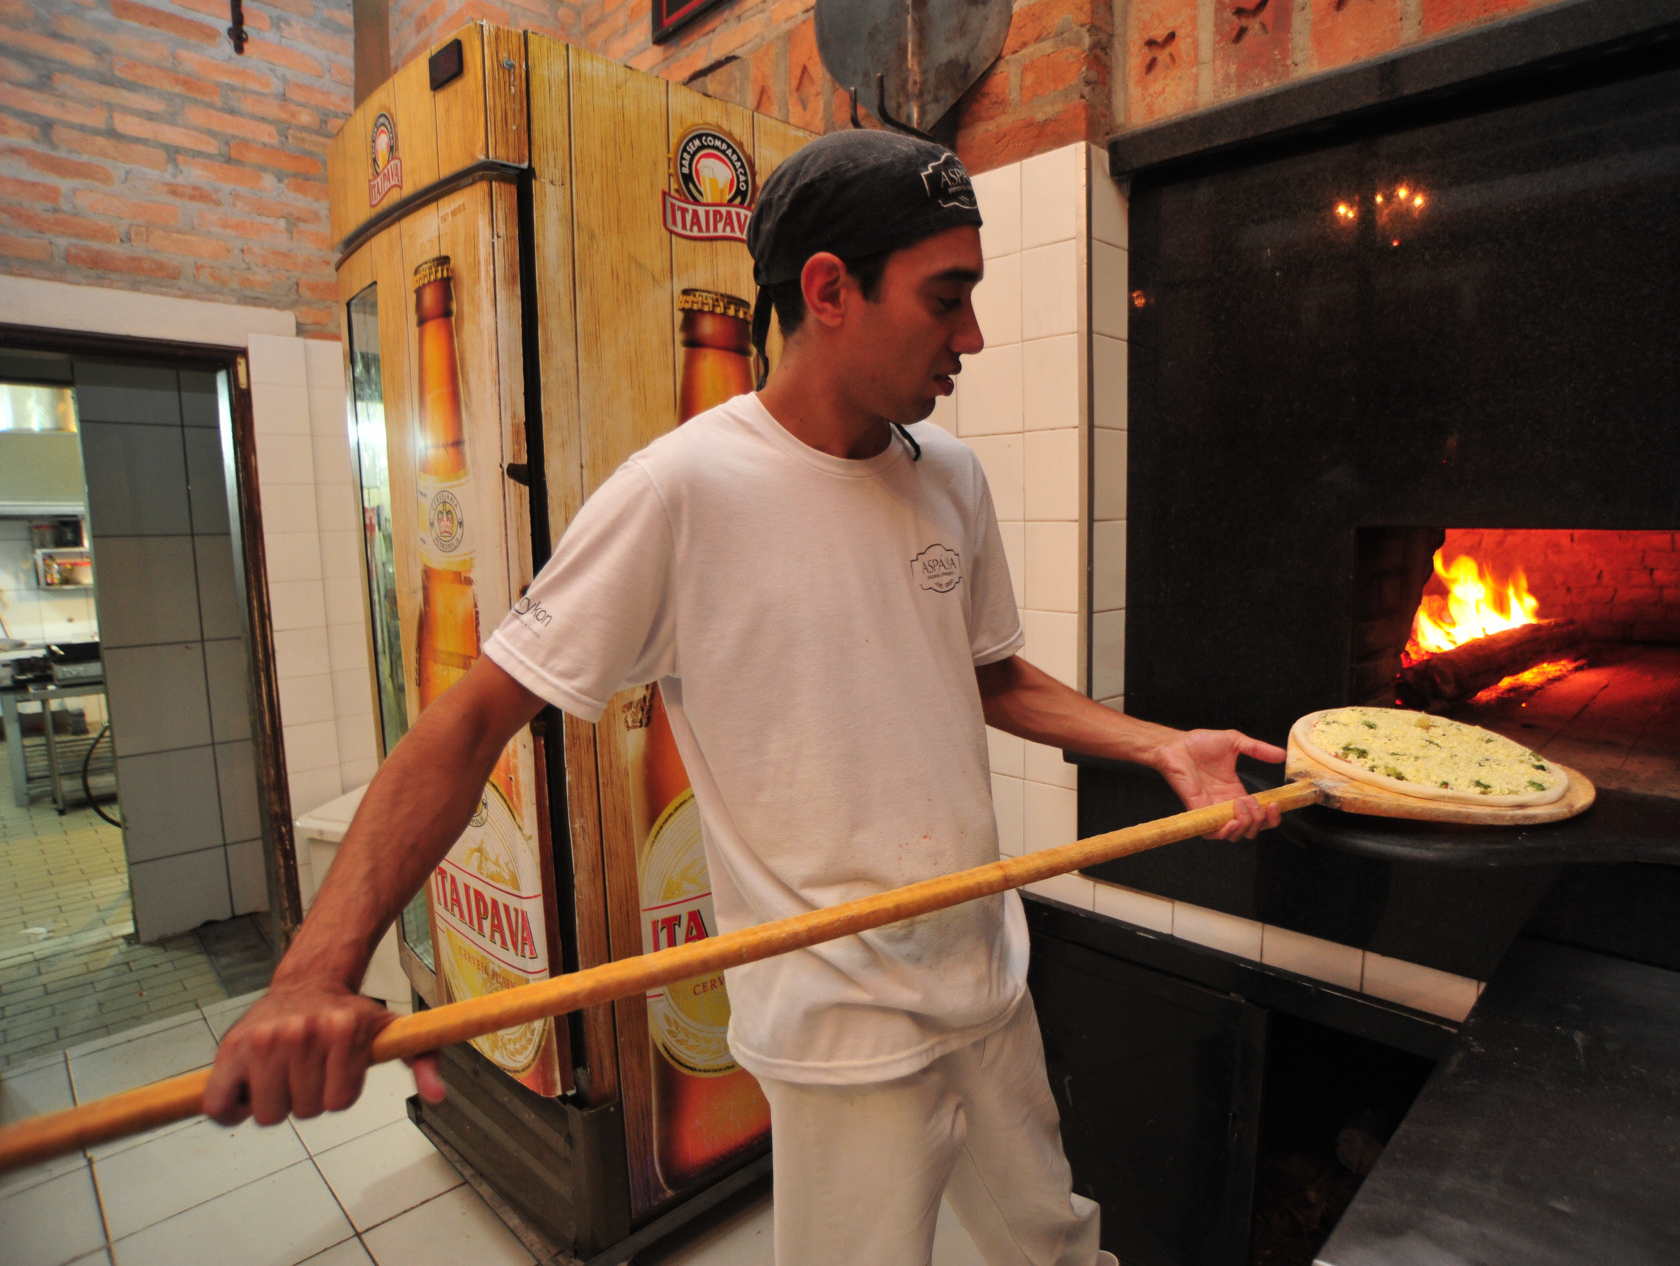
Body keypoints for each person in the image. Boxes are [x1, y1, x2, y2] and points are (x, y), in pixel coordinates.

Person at [203, 129, 1284, 1266]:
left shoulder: (949, 477)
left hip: (985, 971)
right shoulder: (679, 491)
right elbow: (470, 722)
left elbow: (988, 675)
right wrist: (314, 973)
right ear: (829, 291)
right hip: (838, 1026)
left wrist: (1159, 746)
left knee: (1053, 1246)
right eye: (946, 297)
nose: (971, 335)